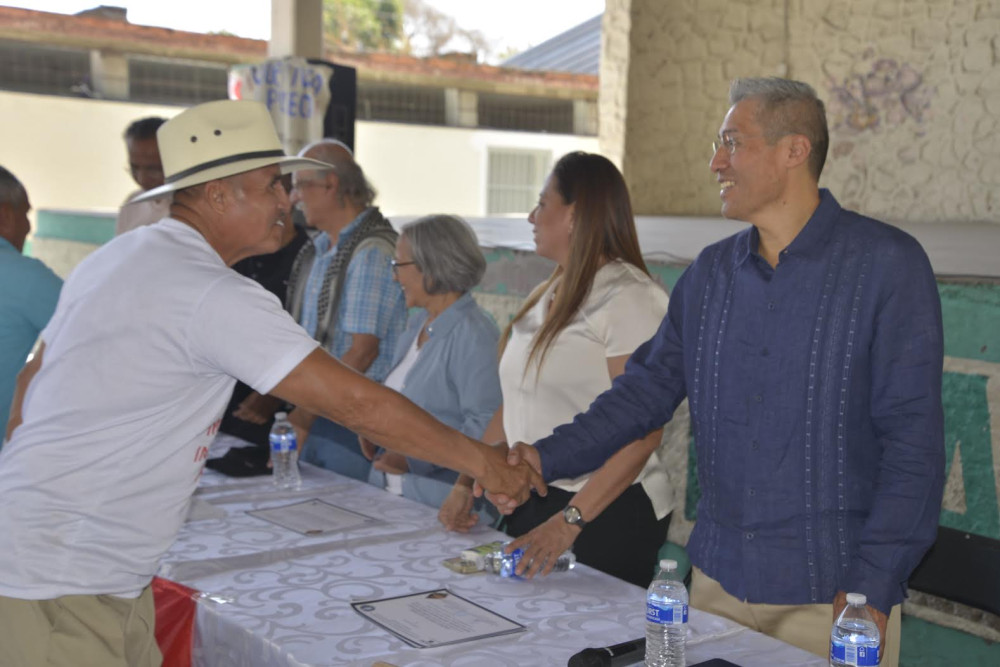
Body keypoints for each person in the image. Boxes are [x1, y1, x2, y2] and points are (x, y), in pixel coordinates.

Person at [0, 100, 544, 667]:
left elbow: (29, 380)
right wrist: (486, 464)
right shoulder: (209, 289)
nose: (287, 200)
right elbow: (356, 402)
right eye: (272, 186)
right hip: (62, 583)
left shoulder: (117, 258)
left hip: (74, 567)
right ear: (217, 195)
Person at [501, 78, 944, 665]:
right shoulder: (711, 274)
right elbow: (641, 396)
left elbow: (913, 447)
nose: (715, 162)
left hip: (834, 600)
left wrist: (874, 587)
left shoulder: (887, 267)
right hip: (714, 586)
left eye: (732, 143)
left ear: (794, 150)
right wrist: (543, 457)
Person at [440, 152, 673, 588]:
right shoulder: (547, 291)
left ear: (576, 215)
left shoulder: (630, 297)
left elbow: (644, 431)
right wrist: (467, 481)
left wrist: (570, 521)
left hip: (607, 508)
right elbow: (514, 406)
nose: (531, 216)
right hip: (538, 496)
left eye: (542, 203)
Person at [361, 214, 502, 509]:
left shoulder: (473, 333)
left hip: (440, 504)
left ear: (432, 266)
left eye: (398, 265)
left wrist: (414, 459)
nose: (394, 276)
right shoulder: (418, 325)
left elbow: (485, 425)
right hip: (394, 495)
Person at [285, 139, 407, 479]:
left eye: (300, 186)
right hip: (321, 411)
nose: (294, 197)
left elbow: (363, 352)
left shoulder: (372, 252)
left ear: (331, 184)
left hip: (352, 424)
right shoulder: (321, 249)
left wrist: (304, 415)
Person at [207, 175, 310, 474]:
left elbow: (309, 335)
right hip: (229, 398)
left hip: (280, 400)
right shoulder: (237, 254)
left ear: (287, 200)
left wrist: (274, 394)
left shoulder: (310, 254)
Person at [0, 167, 62, 439]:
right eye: (26, 214)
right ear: (4, 217)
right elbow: (95, 336)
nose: (28, 227)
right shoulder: (26, 277)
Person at [115, 116, 171, 236]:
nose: (142, 179)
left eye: (154, 170)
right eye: (134, 169)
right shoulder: (132, 205)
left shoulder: (194, 210)